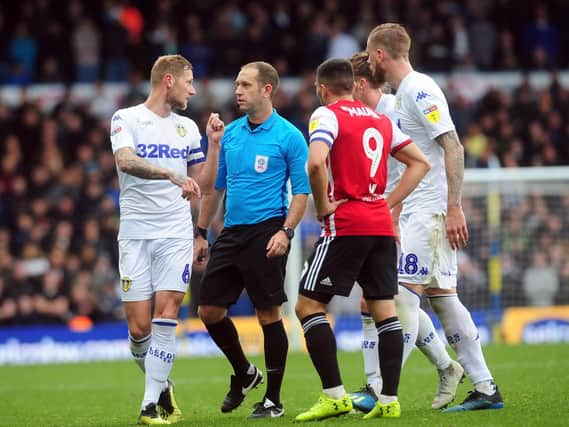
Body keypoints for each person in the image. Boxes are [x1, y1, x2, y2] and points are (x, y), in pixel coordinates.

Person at [366, 23, 504, 412]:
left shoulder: (419, 89)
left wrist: (454, 205)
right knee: (443, 298)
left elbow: (453, 145)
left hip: (429, 212)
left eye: (369, 53)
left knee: (403, 297)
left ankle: (380, 391)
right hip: (421, 210)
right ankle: (485, 387)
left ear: (379, 55)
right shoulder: (402, 94)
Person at [294, 58, 430, 422]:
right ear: (354, 85)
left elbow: (315, 163)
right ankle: (389, 400)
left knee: (307, 306)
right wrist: (388, 201)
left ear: (323, 89)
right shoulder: (380, 120)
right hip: (381, 226)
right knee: (385, 311)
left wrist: (323, 206)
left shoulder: (327, 115)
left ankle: (335, 395)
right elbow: (420, 163)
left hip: (347, 224)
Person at [110, 54, 225, 425]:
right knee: (139, 329)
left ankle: (147, 407)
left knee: (167, 314)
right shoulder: (126, 119)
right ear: (169, 80)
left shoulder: (189, 128)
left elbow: (203, 186)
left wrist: (214, 145)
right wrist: (168, 175)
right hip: (135, 234)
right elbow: (126, 162)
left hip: (175, 233)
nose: (193, 90)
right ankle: (161, 386)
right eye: (189, 82)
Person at [348, 52, 464, 412]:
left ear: (360, 84)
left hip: (407, 214)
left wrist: (393, 213)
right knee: (383, 298)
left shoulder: (394, 110)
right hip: (391, 213)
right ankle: (448, 367)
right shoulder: (374, 113)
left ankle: (378, 386)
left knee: (397, 297)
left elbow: (415, 165)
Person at [193, 61, 310, 419]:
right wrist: (200, 232)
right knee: (208, 310)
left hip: (267, 229)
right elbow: (214, 187)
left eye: (245, 85)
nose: (237, 91)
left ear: (266, 89)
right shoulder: (229, 134)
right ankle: (245, 372)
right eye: (236, 84)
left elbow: (301, 193)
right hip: (231, 231)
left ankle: (273, 400)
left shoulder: (289, 135)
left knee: (267, 313)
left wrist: (285, 232)